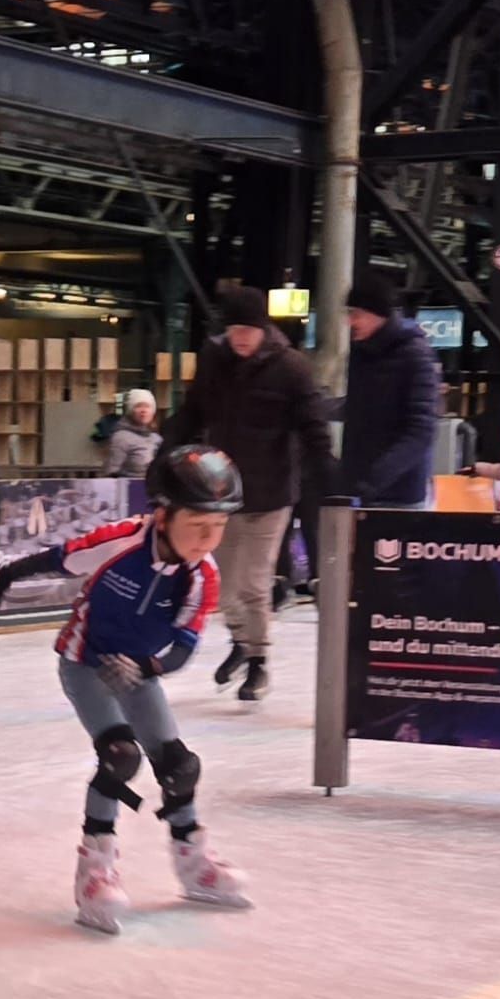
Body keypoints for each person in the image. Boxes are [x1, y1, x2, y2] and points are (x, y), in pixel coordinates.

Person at [0, 446, 250, 935]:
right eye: (198, 526)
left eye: (219, 529)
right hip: (85, 665)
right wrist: (6, 575)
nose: (207, 541)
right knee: (119, 756)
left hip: (139, 672)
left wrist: (147, 667)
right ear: (164, 515)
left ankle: (194, 866)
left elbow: (184, 649)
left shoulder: (202, 577)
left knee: (179, 765)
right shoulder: (121, 543)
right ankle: (95, 872)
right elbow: (60, 559)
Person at [160, 285, 333, 704]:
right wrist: (165, 453)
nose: (240, 337)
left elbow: (313, 427)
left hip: (272, 493)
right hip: (221, 493)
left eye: (248, 329)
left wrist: (328, 475)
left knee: (253, 583)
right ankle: (241, 641)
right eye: (234, 328)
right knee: (223, 585)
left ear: (263, 328)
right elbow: (194, 411)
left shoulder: (292, 367)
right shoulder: (215, 360)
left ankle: (258, 662)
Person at [339, 272, 440, 510]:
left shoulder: (416, 354)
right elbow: (358, 408)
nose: (350, 322)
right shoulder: (362, 353)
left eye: (356, 314)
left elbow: (421, 431)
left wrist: (375, 478)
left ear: (379, 314)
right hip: (360, 491)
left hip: (400, 496)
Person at [103, 389, 161, 477]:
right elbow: (111, 472)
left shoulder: (157, 438)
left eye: (147, 406)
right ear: (130, 411)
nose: (143, 410)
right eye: (138, 406)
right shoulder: (121, 438)